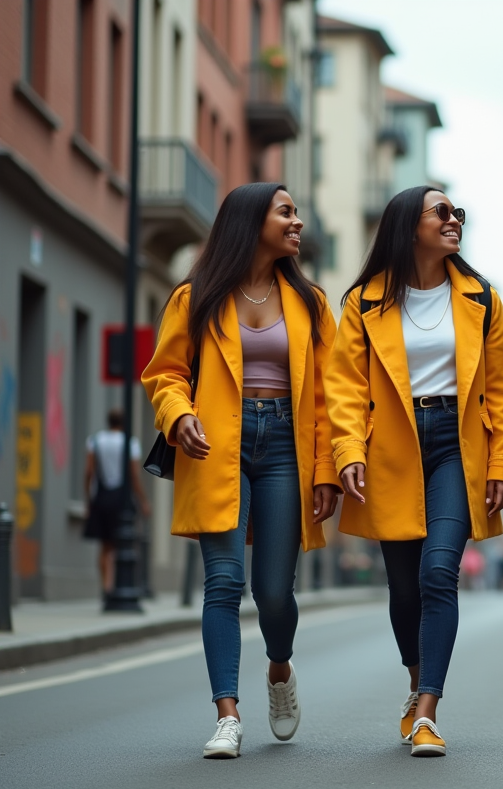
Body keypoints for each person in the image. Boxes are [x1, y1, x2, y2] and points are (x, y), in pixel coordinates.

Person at [325, 186, 503, 758]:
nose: (453, 219)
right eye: (440, 212)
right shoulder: (364, 302)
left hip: (457, 447)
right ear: (407, 227)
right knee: (404, 586)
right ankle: (415, 685)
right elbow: (344, 387)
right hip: (389, 446)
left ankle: (429, 709)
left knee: (440, 573)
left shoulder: (481, 298)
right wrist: (347, 451)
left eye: (456, 212)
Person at [142, 183, 339, 759]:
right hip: (215, 444)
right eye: (286, 213)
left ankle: (280, 668)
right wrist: (177, 415)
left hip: (285, 446)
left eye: (297, 213)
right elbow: (166, 373)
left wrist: (326, 469)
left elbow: (329, 395)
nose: (298, 222)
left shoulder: (311, 303)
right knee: (223, 583)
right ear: (252, 222)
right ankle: (227, 714)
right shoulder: (195, 295)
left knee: (274, 592)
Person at [83, 408, 151, 593]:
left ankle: (106, 586)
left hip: (102, 496)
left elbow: (89, 472)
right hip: (122, 498)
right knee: (124, 543)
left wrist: (88, 498)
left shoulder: (95, 441)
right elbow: (134, 475)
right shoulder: (130, 442)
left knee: (105, 546)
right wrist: (143, 501)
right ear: (124, 422)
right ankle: (120, 585)